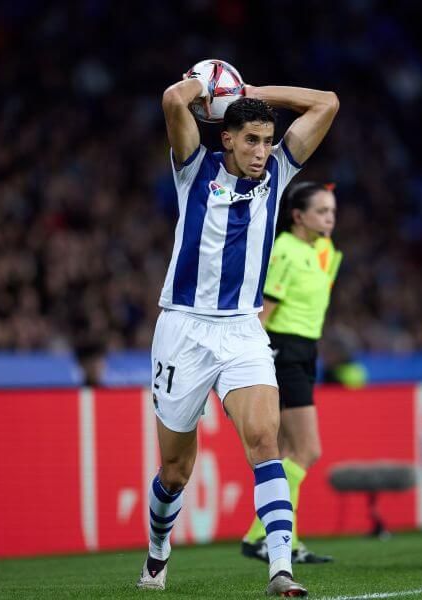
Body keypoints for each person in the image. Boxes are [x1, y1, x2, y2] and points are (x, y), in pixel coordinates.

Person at [136, 65, 338, 598]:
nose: (261, 151)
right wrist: (205, 87)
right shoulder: (193, 168)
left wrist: (253, 94)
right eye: (251, 139)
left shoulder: (277, 174)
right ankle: (158, 550)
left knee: (265, 441)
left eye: (268, 140)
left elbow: (327, 102)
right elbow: (172, 100)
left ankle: (279, 569)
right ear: (225, 136)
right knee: (175, 472)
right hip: (183, 329)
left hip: (244, 331)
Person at [240, 182, 342, 565]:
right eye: (322, 211)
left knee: (287, 451)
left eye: (332, 211)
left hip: (305, 350)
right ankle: (260, 536)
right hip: (282, 349)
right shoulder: (284, 250)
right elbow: (263, 315)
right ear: (298, 216)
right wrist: (255, 363)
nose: (330, 217)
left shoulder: (326, 251)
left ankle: (281, 541)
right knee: (307, 449)